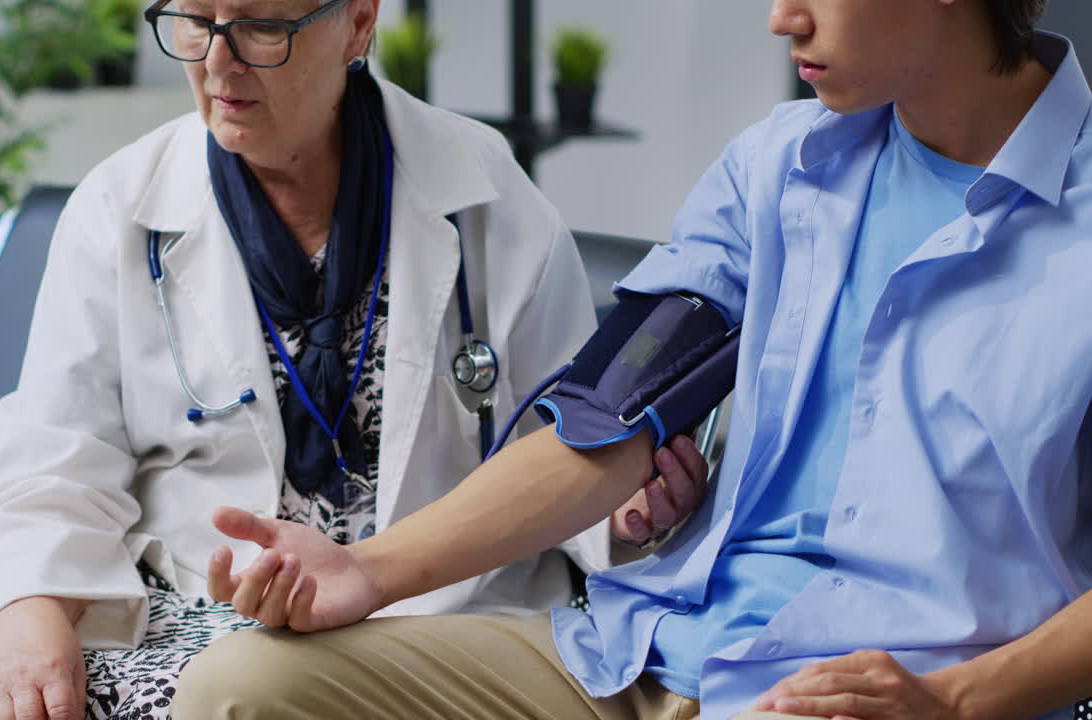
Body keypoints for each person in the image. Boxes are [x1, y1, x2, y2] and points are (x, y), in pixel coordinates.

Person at [170, 0, 1092, 718]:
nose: (782, 19)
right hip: (644, 652)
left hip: (871, 691)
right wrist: (367, 570)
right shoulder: (778, 168)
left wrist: (958, 701)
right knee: (242, 690)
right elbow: (606, 423)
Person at [0, 1, 709, 718]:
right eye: (195, 21)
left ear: (358, 23)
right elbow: (51, 458)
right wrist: (29, 610)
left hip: (423, 621)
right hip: (184, 607)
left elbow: (566, 443)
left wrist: (622, 512)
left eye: (260, 28)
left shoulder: (485, 194)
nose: (218, 62)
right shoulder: (120, 205)